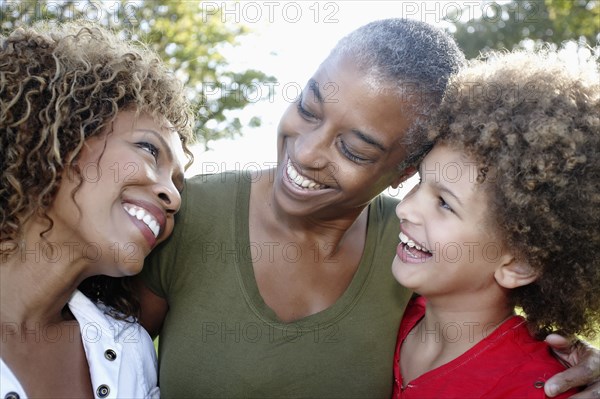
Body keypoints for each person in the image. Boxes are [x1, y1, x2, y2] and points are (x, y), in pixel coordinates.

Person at [137, 19, 600, 397]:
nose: (307, 152)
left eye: (355, 150)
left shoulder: (407, 263)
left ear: (402, 171)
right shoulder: (187, 214)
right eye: (309, 108)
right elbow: (100, 355)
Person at [391, 49, 600, 398]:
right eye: (419, 183)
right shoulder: (391, 313)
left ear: (518, 263)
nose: (406, 208)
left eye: (444, 203)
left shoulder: (541, 387)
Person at [0, 22, 193, 398]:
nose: (174, 197)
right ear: (59, 134)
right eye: (150, 149)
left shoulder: (129, 350)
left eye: (177, 184)